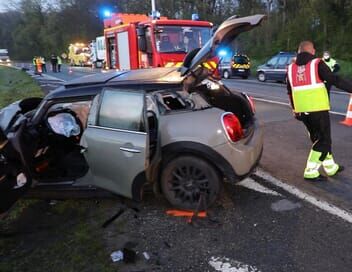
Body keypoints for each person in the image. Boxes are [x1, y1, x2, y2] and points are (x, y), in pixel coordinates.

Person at [286, 41, 352, 180]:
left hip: (302, 111)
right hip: (317, 109)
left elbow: (290, 91)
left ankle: (330, 167)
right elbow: (334, 79)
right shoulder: (317, 64)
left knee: (318, 139)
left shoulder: (290, 68)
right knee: (324, 141)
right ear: (312, 51)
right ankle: (310, 171)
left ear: (299, 52)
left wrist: (294, 109)